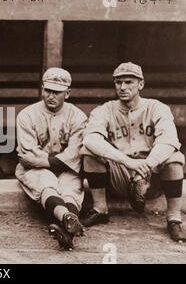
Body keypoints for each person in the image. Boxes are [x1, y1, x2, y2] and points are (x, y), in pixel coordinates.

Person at [81, 62, 186, 242]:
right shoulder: (105, 109)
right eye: (118, 82)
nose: (122, 87)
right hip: (120, 173)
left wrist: (147, 164)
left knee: (175, 158)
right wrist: (127, 162)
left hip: (151, 175)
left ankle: (174, 219)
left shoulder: (156, 107)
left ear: (141, 84)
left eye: (129, 82)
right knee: (89, 152)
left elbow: (169, 140)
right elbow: (90, 139)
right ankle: (100, 210)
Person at [15, 67, 87, 250]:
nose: (51, 96)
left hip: (67, 168)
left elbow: (74, 154)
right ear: (42, 89)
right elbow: (28, 153)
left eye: (57, 92)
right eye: (47, 90)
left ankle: (66, 225)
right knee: (46, 184)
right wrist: (50, 162)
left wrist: (45, 160)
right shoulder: (27, 115)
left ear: (68, 93)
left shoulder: (78, 116)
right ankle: (67, 219)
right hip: (35, 169)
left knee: (70, 189)